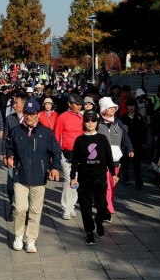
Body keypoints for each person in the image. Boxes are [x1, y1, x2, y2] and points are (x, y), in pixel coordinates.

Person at [7, 100, 61, 253]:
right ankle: (18, 235)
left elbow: (55, 151)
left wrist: (55, 167)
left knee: (36, 211)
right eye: (26, 113)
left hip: (39, 177)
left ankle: (31, 239)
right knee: (20, 208)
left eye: (32, 114)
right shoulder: (16, 130)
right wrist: (10, 156)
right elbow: (9, 146)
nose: (29, 116)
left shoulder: (46, 132)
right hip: (20, 176)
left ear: (38, 114)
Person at [71, 110, 117, 246]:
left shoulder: (102, 138)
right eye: (87, 120)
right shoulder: (80, 140)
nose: (90, 123)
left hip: (100, 177)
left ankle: (99, 221)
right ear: (84, 122)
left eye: (93, 120)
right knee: (85, 207)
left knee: (102, 205)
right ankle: (89, 231)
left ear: (97, 122)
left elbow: (109, 157)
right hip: (84, 177)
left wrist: (113, 174)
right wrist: (73, 177)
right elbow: (75, 160)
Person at [97, 97, 134, 219]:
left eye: (114, 107)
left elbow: (125, 138)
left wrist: (130, 149)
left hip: (115, 160)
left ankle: (108, 205)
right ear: (103, 109)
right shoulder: (97, 123)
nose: (113, 109)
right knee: (105, 186)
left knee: (112, 185)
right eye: (110, 107)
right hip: (101, 161)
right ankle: (106, 209)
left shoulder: (118, 123)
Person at [53, 93, 86, 220]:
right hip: (66, 153)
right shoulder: (62, 117)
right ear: (69, 104)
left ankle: (72, 205)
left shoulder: (82, 117)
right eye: (76, 104)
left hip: (80, 154)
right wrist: (56, 154)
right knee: (68, 180)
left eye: (80, 104)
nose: (79, 106)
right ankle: (66, 208)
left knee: (76, 179)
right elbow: (56, 136)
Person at [2, 92, 28, 221]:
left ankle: (25, 208)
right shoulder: (10, 119)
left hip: (27, 158)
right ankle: (13, 205)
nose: (13, 106)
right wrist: (4, 154)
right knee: (10, 184)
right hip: (13, 156)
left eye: (16, 103)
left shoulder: (31, 118)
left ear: (24, 104)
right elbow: (5, 138)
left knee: (26, 183)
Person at [120, 98, 147, 189]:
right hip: (126, 143)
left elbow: (143, 130)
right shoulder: (123, 117)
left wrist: (143, 141)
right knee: (125, 162)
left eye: (133, 105)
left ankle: (138, 180)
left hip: (137, 143)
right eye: (129, 105)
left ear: (135, 106)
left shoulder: (139, 117)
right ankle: (126, 177)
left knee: (137, 162)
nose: (131, 107)